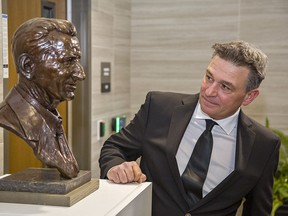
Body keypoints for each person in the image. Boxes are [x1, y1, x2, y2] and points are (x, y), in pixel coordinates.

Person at [99, 41, 280, 215]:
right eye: (209, 78)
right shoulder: (159, 108)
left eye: (225, 87)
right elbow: (115, 147)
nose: (209, 92)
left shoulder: (264, 145)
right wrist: (115, 166)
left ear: (249, 97)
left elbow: (258, 210)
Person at [0, 18, 85, 178]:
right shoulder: (9, 116)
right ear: (27, 66)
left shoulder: (52, 118)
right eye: (67, 62)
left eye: (77, 61)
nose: (80, 74)